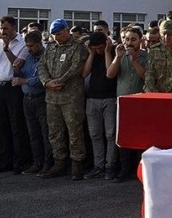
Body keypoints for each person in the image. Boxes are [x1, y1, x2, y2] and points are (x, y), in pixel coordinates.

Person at [37, 19, 88, 181]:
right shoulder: (50, 47)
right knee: (54, 132)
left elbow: (76, 67)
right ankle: (59, 162)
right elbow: (41, 66)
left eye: (59, 34)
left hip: (71, 97)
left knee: (74, 131)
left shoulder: (78, 46)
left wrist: (59, 82)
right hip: (52, 97)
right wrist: (47, 82)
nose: (56, 37)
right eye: (54, 35)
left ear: (66, 31)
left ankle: (77, 164)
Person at [0, 15, 30, 174]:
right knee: (1, 126)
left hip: (13, 87)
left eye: (6, 28)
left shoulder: (23, 44)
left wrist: (6, 48)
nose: (3, 31)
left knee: (16, 125)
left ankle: (20, 161)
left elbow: (18, 67)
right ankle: (5, 160)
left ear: (14, 28)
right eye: (1, 28)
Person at [106, 25, 147, 183]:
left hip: (139, 104)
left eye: (133, 39)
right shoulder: (120, 54)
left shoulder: (146, 56)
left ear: (140, 41)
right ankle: (124, 170)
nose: (129, 42)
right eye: (126, 39)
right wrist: (118, 57)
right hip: (122, 103)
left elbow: (145, 76)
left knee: (140, 138)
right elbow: (110, 74)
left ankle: (139, 170)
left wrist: (134, 60)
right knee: (123, 138)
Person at [11, 31, 53, 176]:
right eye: (27, 45)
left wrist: (25, 81)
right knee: (33, 133)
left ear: (39, 44)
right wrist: (17, 70)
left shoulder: (47, 57)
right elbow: (23, 74)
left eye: (32, 46)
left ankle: (48, 164)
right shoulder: (28, 57)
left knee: (45, 132)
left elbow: (43, 79)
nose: (29, 49)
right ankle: (37, 162)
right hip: (27, 99)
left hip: (41, 98)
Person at [81, 32, 118, 181]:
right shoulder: (93, 54)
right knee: (95, 134)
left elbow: (110, 73)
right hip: (92, 98)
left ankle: (110, 165)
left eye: (101, 47)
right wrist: (91, 54)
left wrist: (108, 51)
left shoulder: (113, 52)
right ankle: (98, 165)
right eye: (95, 48)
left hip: (109, 98)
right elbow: (84, 73)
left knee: (110, 134)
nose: (99, 50)